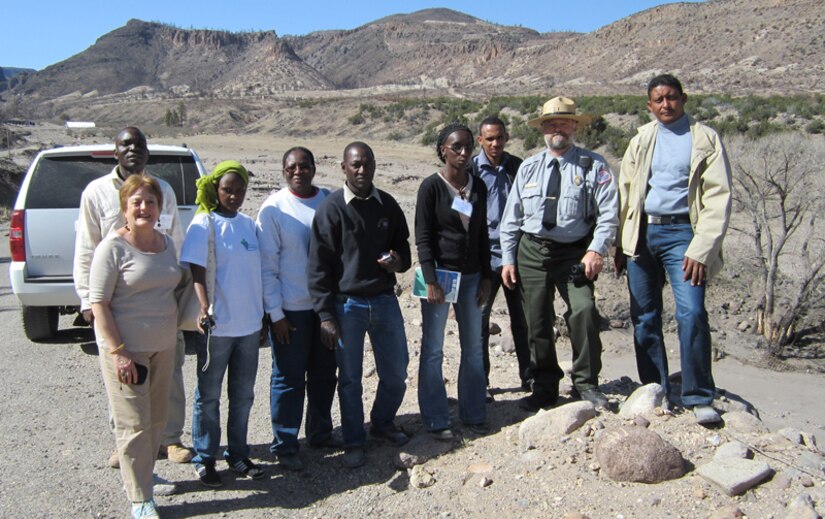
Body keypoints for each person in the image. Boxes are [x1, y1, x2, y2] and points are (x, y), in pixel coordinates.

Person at [74, 127, 192, 474]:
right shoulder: (96, 192)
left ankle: (170, 438)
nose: (133, 149)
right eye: (125, 144)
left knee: (170, 373)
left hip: (162, 301)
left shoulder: (163, 190)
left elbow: (175, 241)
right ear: (115, 152)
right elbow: (86, 247)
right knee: (122, 376)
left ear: (147, 152)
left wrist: (181, 294)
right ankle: (126, 441)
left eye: (139, 144)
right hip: (118, 304)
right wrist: (87, 299)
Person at [616, 74, 732, 424]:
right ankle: (654, 388)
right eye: (658, 99)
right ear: (649, 105)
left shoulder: (705, 139)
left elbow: (718, 197)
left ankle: (698, 395)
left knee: (691, 312)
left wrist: (703, 248)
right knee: (644, 317)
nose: (665, 104)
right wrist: (622, 242)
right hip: (643, 233)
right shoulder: (642, 139)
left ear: (684, 99)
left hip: (684, 234)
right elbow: (626, 191)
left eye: (671, 97)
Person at [500, 96, 619, 412]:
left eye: (564, 123)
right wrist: (508, 258)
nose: (558, 129)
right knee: (536, 320)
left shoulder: (594, 166)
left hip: (574, 253)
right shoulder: (529, 168)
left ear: (575, 126)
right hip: (532, 252)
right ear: (542, 129)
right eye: (551, 124)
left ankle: (586, 383)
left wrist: (596, 250)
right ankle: (544, 387)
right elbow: (512, 217)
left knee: (584, 310)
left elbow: (609, 214)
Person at [307, 141, 412, 469]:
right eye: (356, 164)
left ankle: (382, 422)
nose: (362, 170)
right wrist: (325, 315)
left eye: (367, 163)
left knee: (396, 372)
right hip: (346, 305)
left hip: (384, 300)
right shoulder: (331, 209)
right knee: (350, 379)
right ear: (344, 168)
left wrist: (397, 263)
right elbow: (318, 267)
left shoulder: (387, 205)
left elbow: (404, 251)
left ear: (375, 165)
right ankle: (354, 440)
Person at [89, 174, 184, 519]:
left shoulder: (166, 244)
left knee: (157, 420)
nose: (144, 208)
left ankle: (145, 475)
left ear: (160, 208)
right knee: (134, 425)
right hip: (128, 352)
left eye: (150, 202)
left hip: (164, 347)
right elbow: (98, 304)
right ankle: (140, 498)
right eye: (137, 202)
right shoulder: (112, 248)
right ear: (124, 209)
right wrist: (119, 352)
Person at [181, 160, 265, 487]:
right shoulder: (205, 223)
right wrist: (204, 307)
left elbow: (256, 273)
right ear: (216, 189)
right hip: (218, 327)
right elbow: (197, 270)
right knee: (209, 397)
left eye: (240, 190)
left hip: (249, 327)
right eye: (228, 189)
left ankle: (238, 454)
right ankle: (205, 457)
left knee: (243, 396)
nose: (234, 196)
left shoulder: (248, 225)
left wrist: (263, 318)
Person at [257, 147, 339, 472]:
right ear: (283, 170)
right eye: (291, 167)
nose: (298, 172)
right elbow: (267, 268)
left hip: (324, 309)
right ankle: (286, 444)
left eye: (304, 166)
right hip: (290, 311)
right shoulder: (274, 208)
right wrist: (275, 314)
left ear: (314, 169)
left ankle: (320, 433)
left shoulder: (328, 200)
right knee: (288, 379)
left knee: (324, 375)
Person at [416, 123, 492, 439]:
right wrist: (430, 280)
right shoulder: (431, 187)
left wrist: (487, 276)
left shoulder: (478, 187)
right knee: (433, 348)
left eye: (467, 147)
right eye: (456, 147)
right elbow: (423, 237)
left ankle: (473, 413)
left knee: (473, 346)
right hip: (440, 275)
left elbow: (483, 234)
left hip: (473, 276)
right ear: (442, 150)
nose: (463, 153)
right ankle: (435, 418)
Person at [471, 116, 530, 398]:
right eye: (490, 139)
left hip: (516, 255)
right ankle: (480, 382)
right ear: (480, 140)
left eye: (500, 138)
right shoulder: (470, 170)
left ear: (507, 138)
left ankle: (530, 378)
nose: (495, 144)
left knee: (524, 320)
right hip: (484, 258)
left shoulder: (518, 167)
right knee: (479, 321)